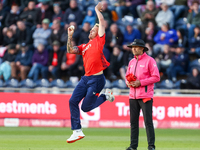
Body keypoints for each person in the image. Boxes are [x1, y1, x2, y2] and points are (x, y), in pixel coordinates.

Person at [66, 2, 115, 143]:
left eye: (94, 29)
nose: (91, 30)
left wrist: (96, 10)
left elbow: (102, 22)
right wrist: (70, 36)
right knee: (72, 101)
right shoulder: (84, 46)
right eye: (91, 29)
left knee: (86, 108)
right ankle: (77, 131)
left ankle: (105, 96)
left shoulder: (99, 41)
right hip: (85, 79)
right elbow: (70, 50)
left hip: (97, 79)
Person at [125, 39, 160, 150]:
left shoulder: (150, 61)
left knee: (148, 122)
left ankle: (151, 146)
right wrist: (128, 82)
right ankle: (133, 146)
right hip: (133, 96)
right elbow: (127, 76)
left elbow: (156, 77)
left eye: (135, 47)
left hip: (145, 96)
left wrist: (140, 82)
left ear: (142, 48)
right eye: (132, 47)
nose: (133, 49)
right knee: (133, 123)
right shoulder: (131, 62)